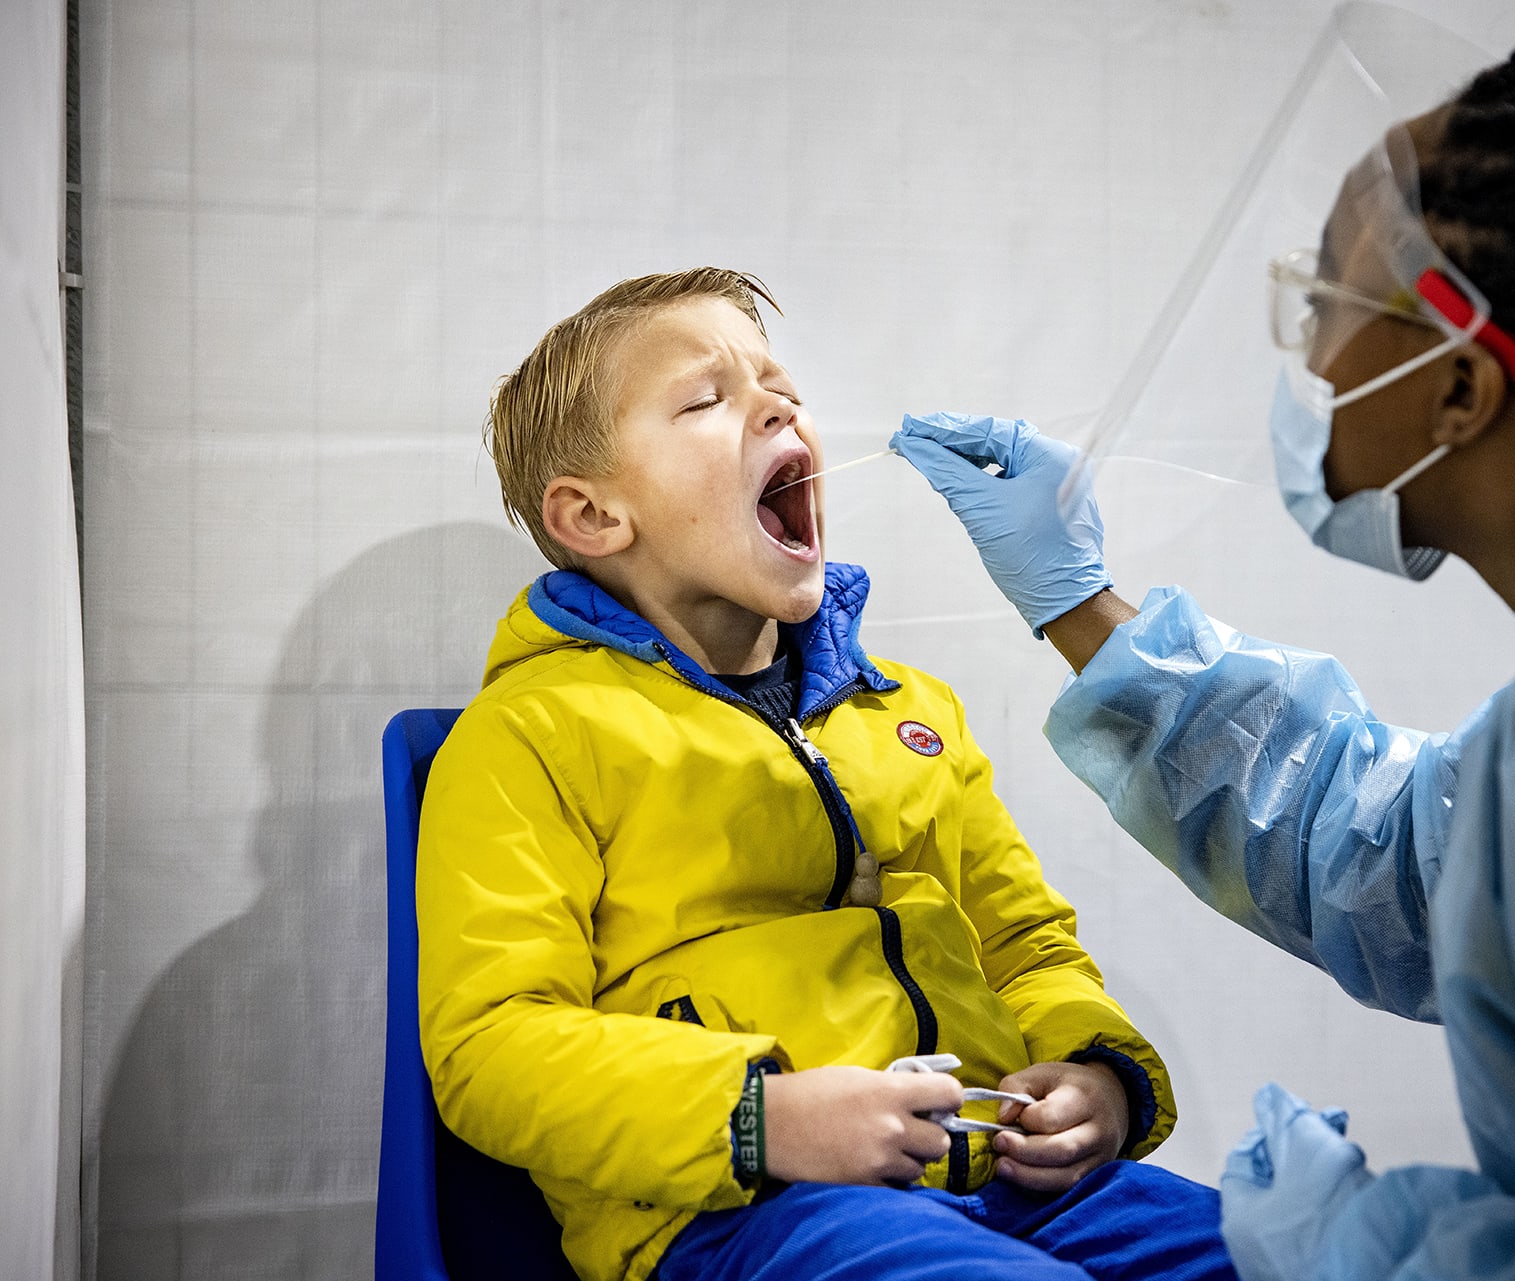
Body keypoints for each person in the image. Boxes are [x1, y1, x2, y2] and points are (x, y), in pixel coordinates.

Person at [892, 18, 1515, 1281]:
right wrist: (1078, 602)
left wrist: (1355, 1251)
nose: (1313, 352)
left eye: (1328, 299)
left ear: (1459, 389)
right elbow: (1416, 858)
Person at [414, 268, 1236, 1281]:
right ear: (592, 519)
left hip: (1009, 1183)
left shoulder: (911, 716)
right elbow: (491, 1049)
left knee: (1289, 1255)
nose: (776, 403)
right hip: (742, 1215)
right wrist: (759, 1118)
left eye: (778, 388)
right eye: (707, 399)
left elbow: (1028, 948)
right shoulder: (531, 738)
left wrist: (1097, 1074)